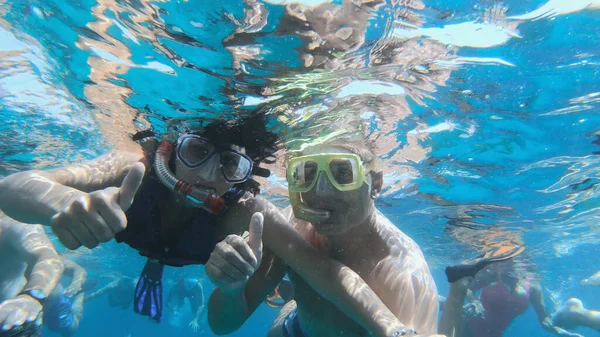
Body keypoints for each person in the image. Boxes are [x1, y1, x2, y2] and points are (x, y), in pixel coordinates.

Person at [0, 115, 411, 336]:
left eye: (230, 164)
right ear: (170, 150)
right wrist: (68, 203)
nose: (210, 175)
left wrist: (393, 329)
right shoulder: (133, 171)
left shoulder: (243, 211)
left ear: (244, 175)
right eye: (196, 151)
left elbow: (321, 271)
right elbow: (12, 187)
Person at [207, 134, 439, 337]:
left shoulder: (402, 273)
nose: (321, 192)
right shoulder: (293, 226)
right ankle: (291, 305)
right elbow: (223, 325)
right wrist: (232, 291)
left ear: (375, 184)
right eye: (306, 174)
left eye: (343, 173)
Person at [439, 255, 582, 337]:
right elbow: (464, 288)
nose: (503, 267)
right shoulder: (492, 275)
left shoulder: (533, 288)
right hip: (465, 330)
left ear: (521, 266)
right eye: (502, 263)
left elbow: (544, 319)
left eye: (509, 263)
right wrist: (475, 301)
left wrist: (561, 332)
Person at [0, 214, 63, 337]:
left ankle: (77, 300)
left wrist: (31, 297)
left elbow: (49, 258)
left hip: (14, 318)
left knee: (69, 328)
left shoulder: (14, 219)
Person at [43, 258, 89, 337]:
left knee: (69, 329)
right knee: (68, 328)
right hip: (44, 308)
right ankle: (81, 292)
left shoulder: (50, 257)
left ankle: (81, 292)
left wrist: (76, 284)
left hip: (56, 305)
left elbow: (79, 271)